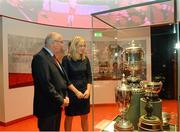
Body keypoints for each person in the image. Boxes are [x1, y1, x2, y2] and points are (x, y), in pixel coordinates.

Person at [31, 32, 70, 131]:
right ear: (53, 43)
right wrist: (61, 100)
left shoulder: (51, 57)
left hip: (55, 106)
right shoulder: (40, 58)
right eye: (61, 42)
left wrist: (64, 96)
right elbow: (46, 85)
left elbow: (60, 79)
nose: (62, 45)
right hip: (47, 108)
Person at [62, 36, 92, 131]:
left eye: (84, 46)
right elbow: (65, 79)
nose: (83, 48)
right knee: (69, 117)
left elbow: (89, 76)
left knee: (85, 117)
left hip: (84, 92)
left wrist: (88, 90)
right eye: (80, 46)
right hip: (72, 93)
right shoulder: (66, 59)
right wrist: (76, 92)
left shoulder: (86, 59)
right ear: (74, 47)